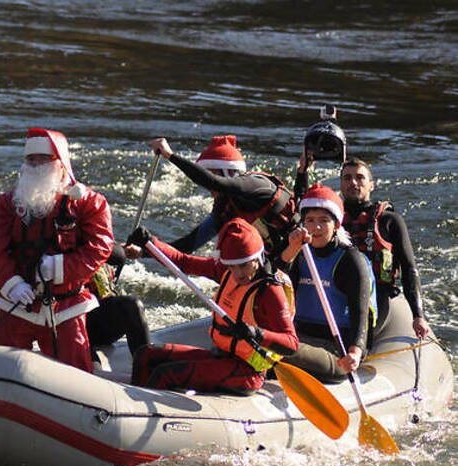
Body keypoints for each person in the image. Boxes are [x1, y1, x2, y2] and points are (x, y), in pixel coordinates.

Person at [0, 127, 113, 373]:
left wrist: (59, 267)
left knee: (75, 373)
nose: (35, 165)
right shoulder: (8, 203)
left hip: (65, 306)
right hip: (17, 301)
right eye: (31, 159)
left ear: (60, 163)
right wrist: (12, 283)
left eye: (43, 159)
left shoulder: (89, 203)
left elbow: (100, 246)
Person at [126, 218, 298, 395]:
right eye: (232, 266)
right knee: (145, 355)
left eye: (244, 265)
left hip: (247, 373)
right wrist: (150, 243)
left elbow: (291, 344)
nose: (238, 274)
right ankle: (131, 407)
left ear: (258, 258)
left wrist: (256, 333)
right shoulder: (225, 269)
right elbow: (183, 261)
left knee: (165, 374)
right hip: (222, 356)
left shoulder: (270, 291)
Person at [128, 135, 296, 258]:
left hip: (302, 253)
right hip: (276, 261)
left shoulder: (256, 185)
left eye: (211, 174)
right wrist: (145, 251)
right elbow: (188, 245)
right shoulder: (225, 209)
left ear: (229, 172)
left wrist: (170, 156)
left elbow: (214, 182)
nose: (207, 188)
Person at [279, 184, 378, 382]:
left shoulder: (351, 260)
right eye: (310, 220)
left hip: (337, 349)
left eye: (323, 221)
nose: (315, 228)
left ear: (337, 225)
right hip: (300, 336)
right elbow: (274, 282)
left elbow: (360, 314)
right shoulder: (297, 253)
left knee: (276, 349)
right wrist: (290, 250)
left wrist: (355, 352)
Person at [339, 158, 429, 338]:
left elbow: (409, 268)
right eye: (347, 178)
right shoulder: (329, 219)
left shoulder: (389, 221)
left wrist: (418, 316)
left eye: (360, 178)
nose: (353, 183)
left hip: (376, 295)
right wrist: (303, 172)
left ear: (371, 185)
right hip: (337, 292)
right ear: (341, 184)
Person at [85, 243, 150, 364]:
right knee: (131, 305)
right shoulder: (73, 237)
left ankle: (145, 369)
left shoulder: (96, 238)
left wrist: (137, 249)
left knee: (133, 306)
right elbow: (118, 256)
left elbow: (115, 254)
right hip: (78, 321)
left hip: (101, 318)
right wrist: (121, 250)